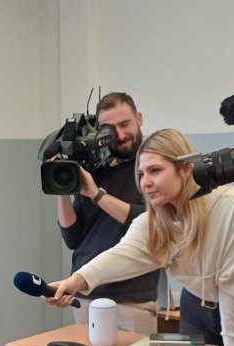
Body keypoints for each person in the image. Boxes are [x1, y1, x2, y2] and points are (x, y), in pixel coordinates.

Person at [49, 128, 234, 346]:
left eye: (155, 170)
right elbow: (122, 255)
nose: (145, 182)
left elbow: (233, 289)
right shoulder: (153, 222)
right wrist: (73, 282)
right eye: (141, 174)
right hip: (196, 308)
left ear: (185, 169)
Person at [57, 92, 159, 333]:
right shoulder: (96, 169)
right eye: (109, 129)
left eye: (125, 124)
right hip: (85, 293)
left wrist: (97, 195)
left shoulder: (151, 169)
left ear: (139, 119)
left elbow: (149, 220)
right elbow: (73, 238)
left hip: (132, 297)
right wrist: (62, 185)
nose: (120, 135)